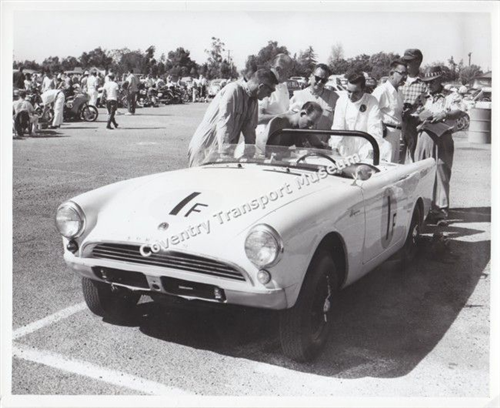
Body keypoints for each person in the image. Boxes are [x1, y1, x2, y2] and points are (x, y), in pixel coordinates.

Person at [187, 68, 278, 167]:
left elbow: (250, 132)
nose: (269, 96)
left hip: (223, 152)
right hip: (205, 149)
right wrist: (226, 155)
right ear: (261, 87)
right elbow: (225, 124)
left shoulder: (253, 100)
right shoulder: (233, 90)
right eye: (269, 91)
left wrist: (250, 156)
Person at [414, 66, 465, 223]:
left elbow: (460, 110)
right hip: (424, 135)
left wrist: (444, 114)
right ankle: (421, 210)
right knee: (420, 172)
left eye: (432, 82)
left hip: (442, 136)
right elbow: (415, 115)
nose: (429, 85)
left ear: (440, 80)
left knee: (441, 173)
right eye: (426, 82)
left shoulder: (451, 95)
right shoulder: (423, 97)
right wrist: (420, 118)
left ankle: (440, 211)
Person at [331, 72, 392, 162]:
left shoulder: (371, 101)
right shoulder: (341, 100)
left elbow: (374, 127)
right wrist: (335, 147)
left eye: (355, 92)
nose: (351, 96)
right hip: (345, 148)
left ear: (363, 89)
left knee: (387, 147)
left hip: (365, 148)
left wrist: (372, 149)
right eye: (349, 91)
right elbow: (337, 126)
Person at [289, 63, 339, 140]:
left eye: (323, 80)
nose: (319, 82)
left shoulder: (334, 97)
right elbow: (290, 122)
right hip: (302, 146)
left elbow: (339, 123)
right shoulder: (297, 96)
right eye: (317, 78)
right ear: (311, 76)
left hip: (324, 145)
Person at [372, 60, 408, 163]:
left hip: (397, 134)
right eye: (402, 73)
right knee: (385, 166)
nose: (405, 77)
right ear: (392, 74)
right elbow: (370, 112)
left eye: (406, 74)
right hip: (386, 136)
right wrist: (381, 127)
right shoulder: (382, 91)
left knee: (395, 167)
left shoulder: (400, 92)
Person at [257, 101, 325, 152]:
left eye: (314, 124)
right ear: (302, 113)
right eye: (310, 122)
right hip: (260, 157)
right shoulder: (280, 122)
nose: (311, 127)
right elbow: (271, 151)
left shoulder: (304, 127)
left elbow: (320, 145)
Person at [255, 53, 294, 139]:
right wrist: (284, 117)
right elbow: (258, 118)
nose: (289, 75)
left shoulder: (284, 87)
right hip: (264, 138)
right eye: (288, 71)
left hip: (279, 138)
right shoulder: (264, 84)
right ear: (278, 69)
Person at [400, 49, 427, 163]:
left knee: (414, 159)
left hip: (415, 125)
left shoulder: (425, 82)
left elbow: (427, 105)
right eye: (405, 61)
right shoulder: (399, 80)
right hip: (398, 125)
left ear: (418, 62)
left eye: (409, 61)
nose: (406, 65)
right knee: (397, 157)